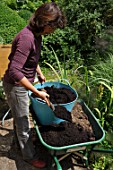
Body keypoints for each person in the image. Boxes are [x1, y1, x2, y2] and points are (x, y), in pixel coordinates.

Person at [3, 2, 66, 169]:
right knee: (23, 122)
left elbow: (31, 58)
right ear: (45, 23)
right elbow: (15, 70)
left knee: (20, 116)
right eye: (52, 28)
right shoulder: (27, 38)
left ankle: (20, 142)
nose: (53, 32)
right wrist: (36, 92)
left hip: (24, 83)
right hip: (15, 86)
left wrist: (39, 72)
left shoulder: (36, 36)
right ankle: (28, 156)